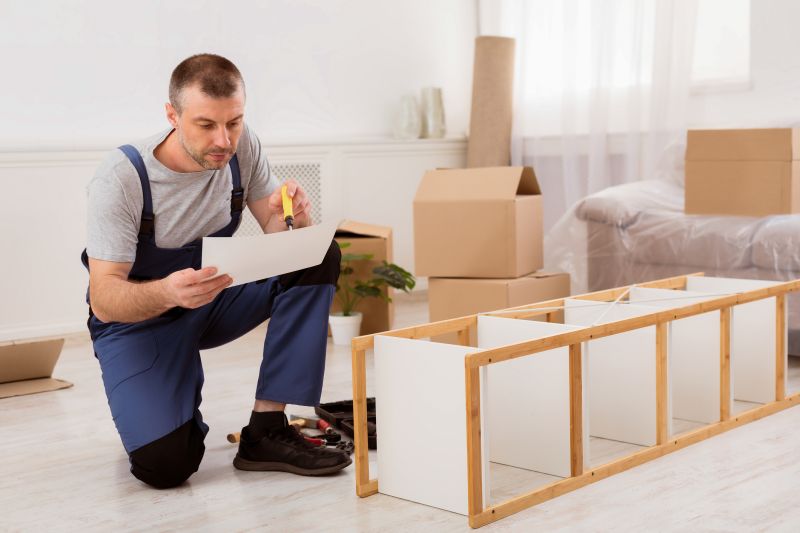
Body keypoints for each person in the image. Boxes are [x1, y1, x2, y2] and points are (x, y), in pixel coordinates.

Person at [82, 53, 350, 489]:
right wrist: (168, 293)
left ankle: (267, 429)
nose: (224, 140)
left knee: (318, 254)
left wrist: (297, 218)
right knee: (166, 466)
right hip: (139, 321)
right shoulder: (123, 177)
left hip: (214, 299)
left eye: (235, 122)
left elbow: (282, 235)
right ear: (172, 115)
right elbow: (105, 299)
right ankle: (165, 405)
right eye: (206, 125)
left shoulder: (242, 147)